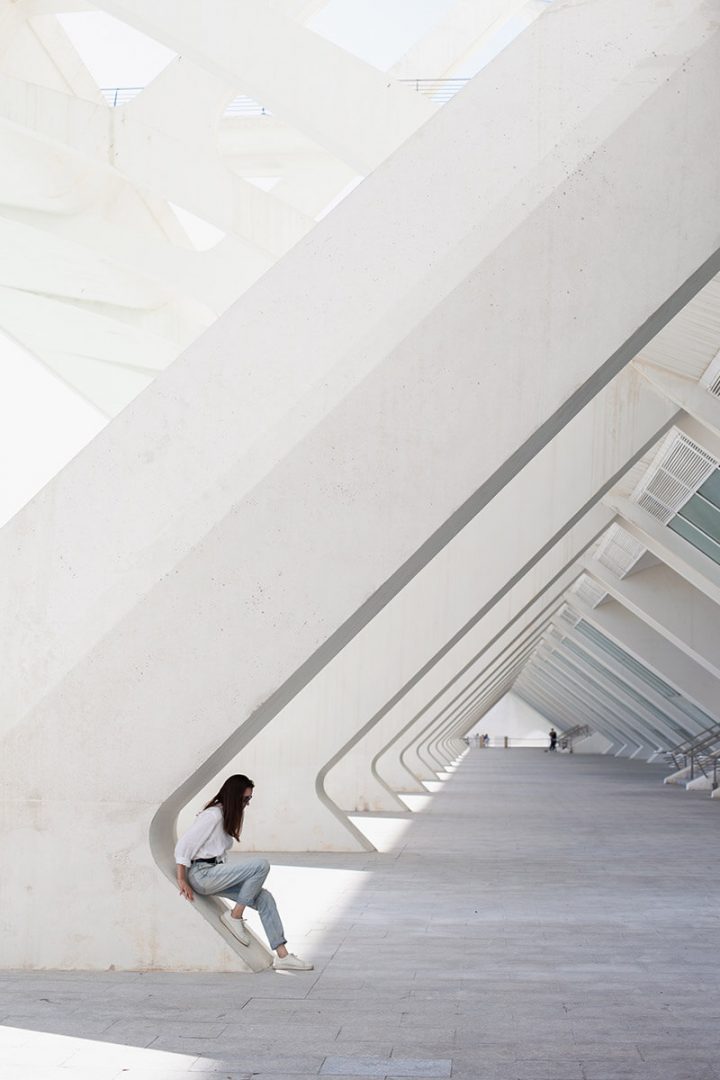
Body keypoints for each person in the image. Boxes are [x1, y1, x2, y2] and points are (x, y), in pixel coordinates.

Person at [174, 774, 313, 971]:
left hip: (215, 873)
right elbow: (184, 845)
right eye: (245, 799)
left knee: (265, 897)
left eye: (249, 799)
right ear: (233, 796)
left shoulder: (224, 814)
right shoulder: (212, 815)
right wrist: (182, 878)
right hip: (202, 875)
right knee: (260, 865)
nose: (247, 804)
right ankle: (235, 916)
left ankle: (282, 955)